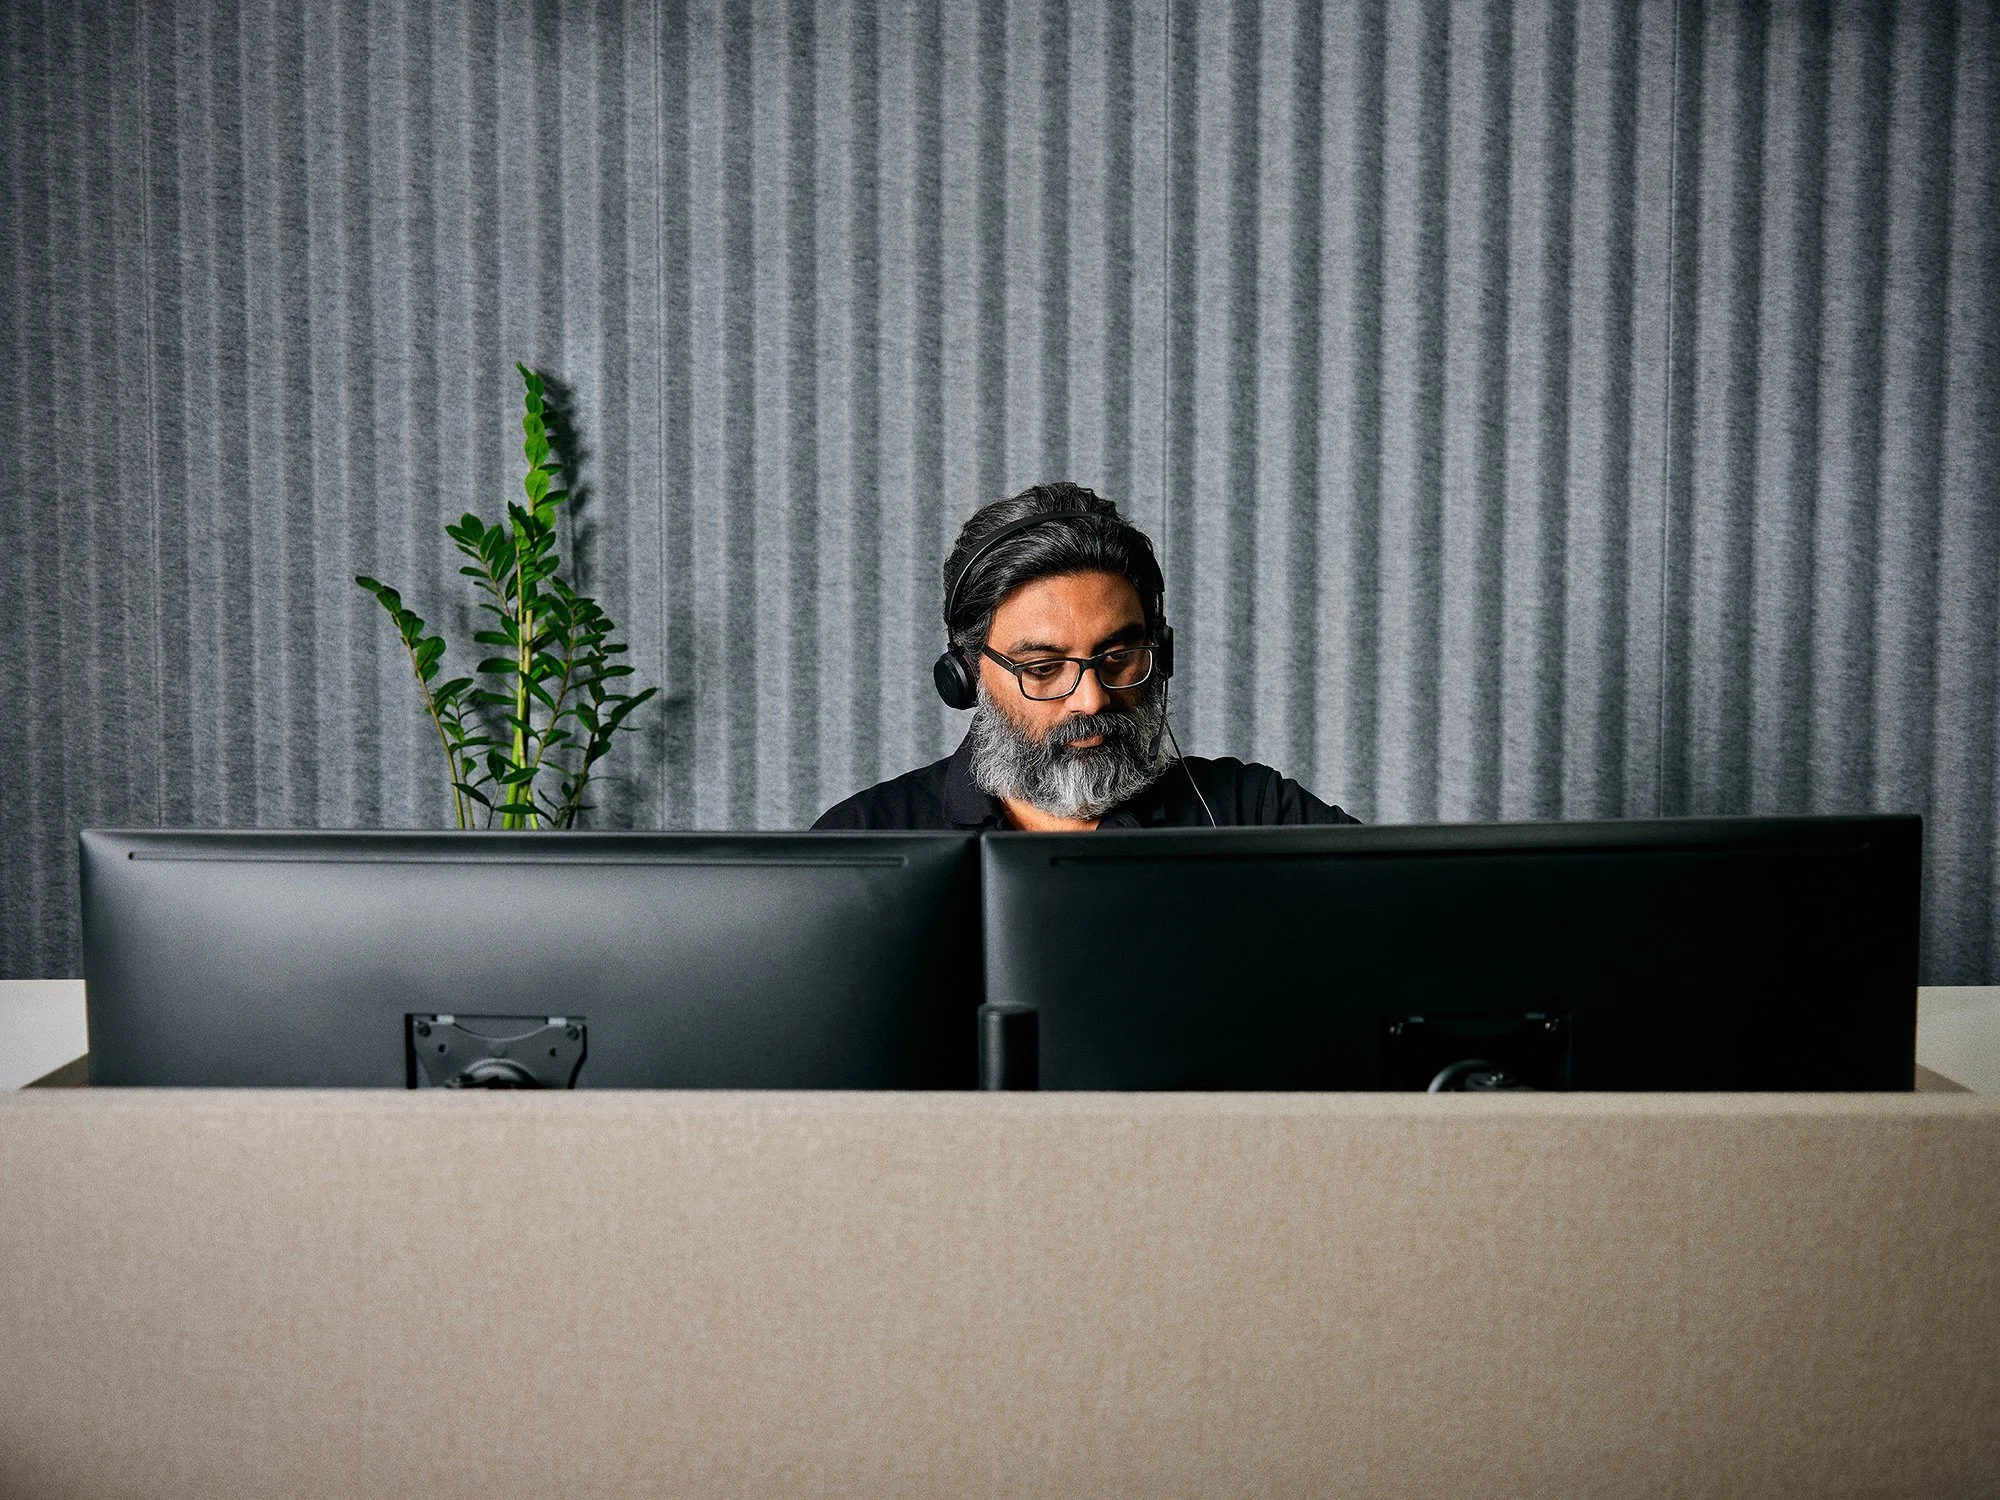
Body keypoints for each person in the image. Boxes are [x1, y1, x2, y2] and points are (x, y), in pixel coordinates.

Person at [812, 482, 1358, 831]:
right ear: (968, 674)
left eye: (1119, 655)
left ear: (1160, 651)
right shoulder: (865, 838)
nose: (1092, 698)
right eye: (1044, 669)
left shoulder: (1251, 812)